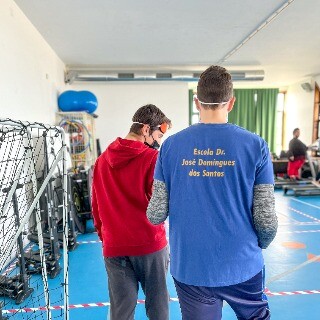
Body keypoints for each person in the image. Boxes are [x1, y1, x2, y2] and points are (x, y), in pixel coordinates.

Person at [147, 66, 278, 320]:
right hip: (242, 262)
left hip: (191, 267)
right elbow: (265, 218)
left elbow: (155, 213)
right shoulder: (256, 145)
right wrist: (260, 244)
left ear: (197, 102)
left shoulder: (170, 146)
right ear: (231, 103)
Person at [91, 104, 171, 320]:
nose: (159, 141)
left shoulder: (100, 161)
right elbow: (159, 206)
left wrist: (107, 237)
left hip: (114, 246)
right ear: (146, 130)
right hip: (149, 244)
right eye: (158, 135)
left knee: (120, 311)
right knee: (158, 306)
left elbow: (96, 206)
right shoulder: (152, 159)